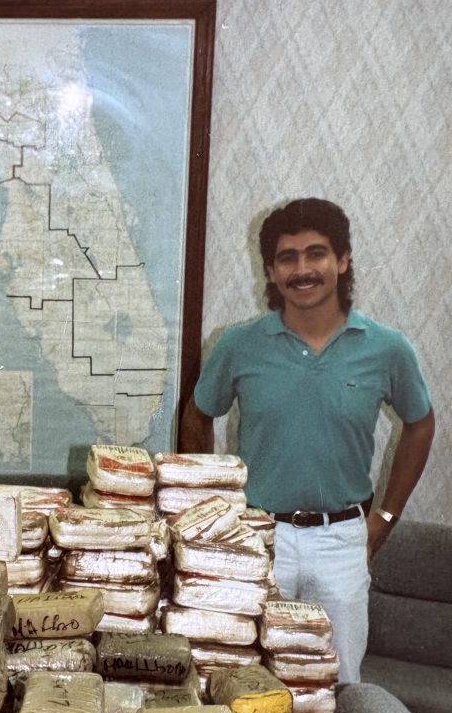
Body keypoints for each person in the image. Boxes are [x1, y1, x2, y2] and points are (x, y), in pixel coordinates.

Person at [180, 198, 434, 682]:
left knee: (336, 688)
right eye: (287, 258)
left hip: (341, 540)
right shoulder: (236, 345)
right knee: (239, 679)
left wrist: (382, 518)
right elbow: (198, 414)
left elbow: (420, 424)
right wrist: (213, 508)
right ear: (271, 273)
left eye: (316, 254)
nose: (302, 269)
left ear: (342, 260)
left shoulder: (387, 349)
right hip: (255, 537)